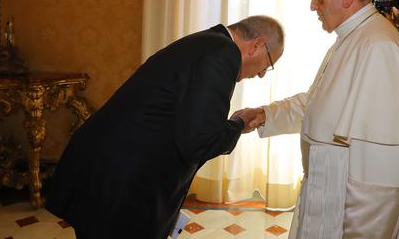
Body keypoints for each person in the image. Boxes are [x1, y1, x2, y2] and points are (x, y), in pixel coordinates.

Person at [235, 0, 399, 238]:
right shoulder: (353, 38)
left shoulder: (378, 45)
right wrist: (267, 114)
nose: (312, 6)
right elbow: (320, 103)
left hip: (351, 216)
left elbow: (381, 185)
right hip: (329, 197)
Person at [45, 15, 285, 239]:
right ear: (257, 44)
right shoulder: (224, 53)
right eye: (269, 63)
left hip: (109, 167)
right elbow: (198, 141)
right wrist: (239, 123)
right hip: (122, 180)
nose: (263, 74)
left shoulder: (208, 42)